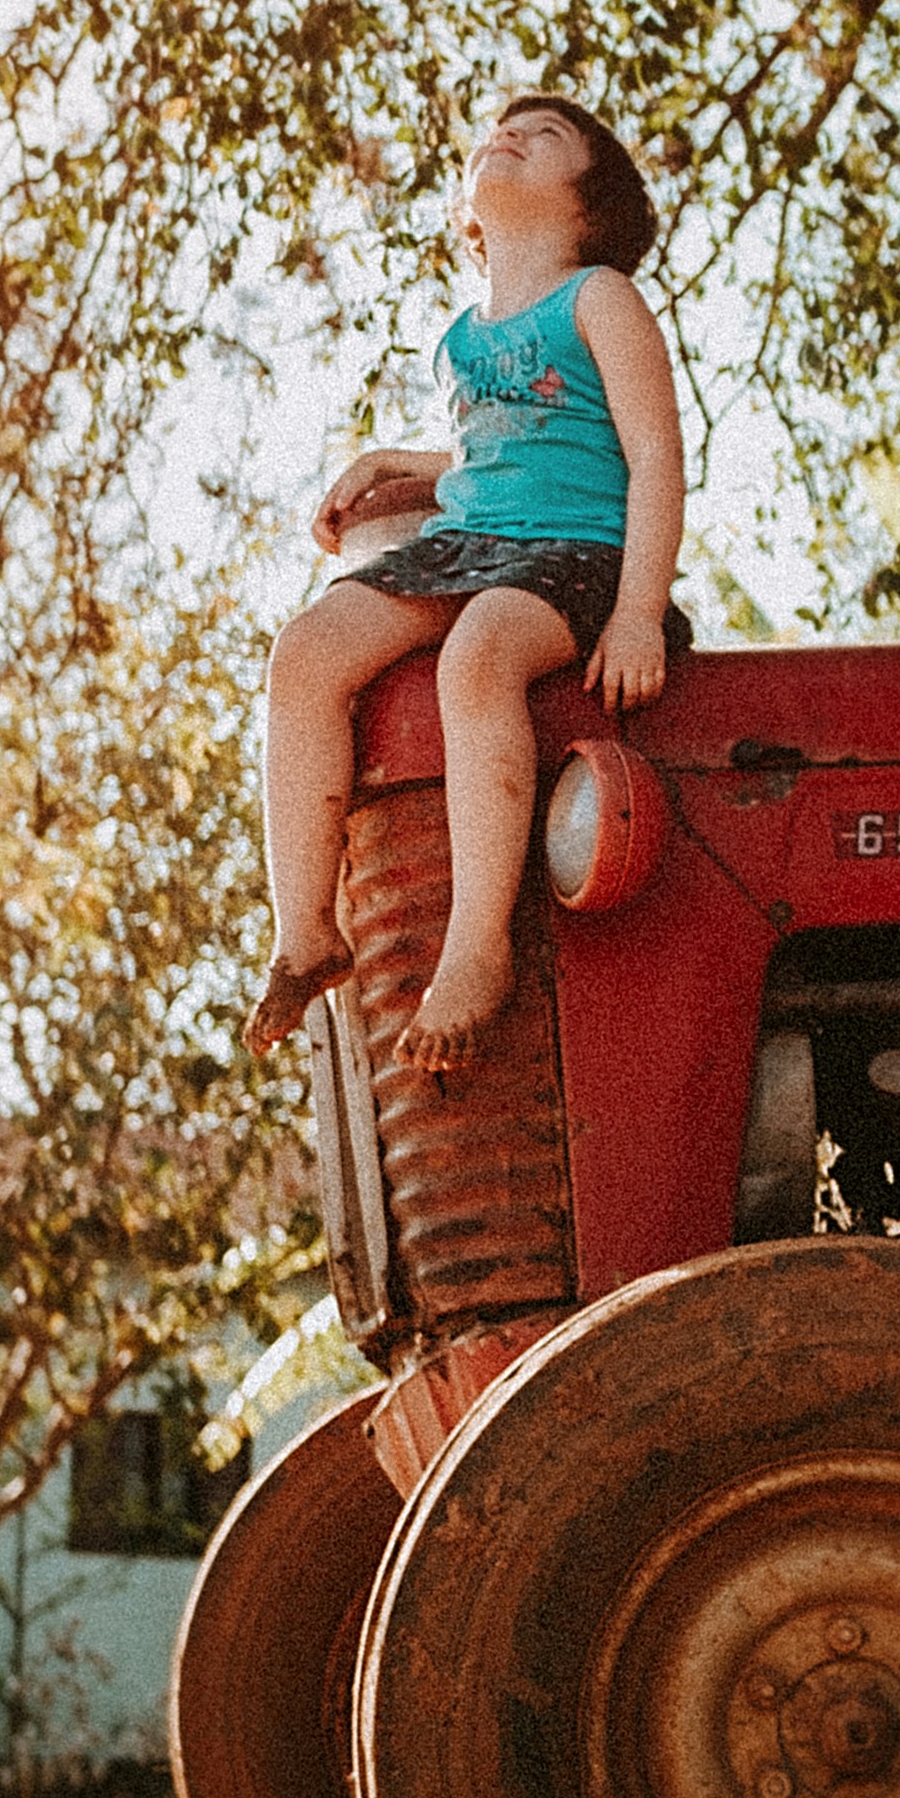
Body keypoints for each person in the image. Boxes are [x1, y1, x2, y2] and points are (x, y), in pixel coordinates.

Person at [249, 94, 685, 1077]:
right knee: (307, 653)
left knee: (480, 654)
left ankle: (477, 945)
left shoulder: (599, 296)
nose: (511, 136)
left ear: (588, 205)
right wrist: (390, 458)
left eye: (547, 138)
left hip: (575, 556)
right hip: (473, 538)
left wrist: (639, 612)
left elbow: (653, 453)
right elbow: (500, 457)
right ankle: (305, 933)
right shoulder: (461, 337)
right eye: (501, 129)